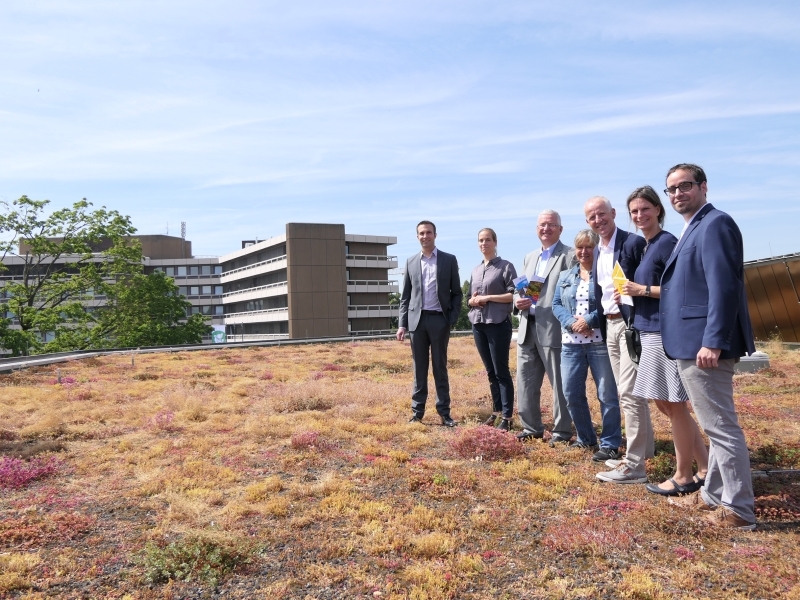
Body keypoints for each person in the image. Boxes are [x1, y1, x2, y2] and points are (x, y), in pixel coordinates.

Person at [660, 164, 756, 530]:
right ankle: (714, 496)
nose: (677, 193)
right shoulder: (693, 226)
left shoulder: (715, 224)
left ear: (703, 186)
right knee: (714, 425)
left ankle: (739, 510)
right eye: (671, 189)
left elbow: (724, 286)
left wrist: (713, 340)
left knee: (721, 428)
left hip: (704, 345)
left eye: (685, 186)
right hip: (690, 343)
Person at [615, 186, 708, 496]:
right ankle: (705, 467)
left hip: (661, 331)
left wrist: (640, 291)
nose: (640, 216)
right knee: (665, 404)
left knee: (674, 404)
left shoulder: (667, 243)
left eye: (644, 209)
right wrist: (628, 292)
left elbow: (679, 289)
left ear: (657, 209)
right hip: (646, 329)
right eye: (634, 212)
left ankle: (684, 475)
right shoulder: (646, 245)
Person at [584, 196, 650, 482]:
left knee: (629, 392)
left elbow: (644, 281)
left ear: (613, 214)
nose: (598, 220)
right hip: (609, 326)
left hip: (629, 325)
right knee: (630, 392)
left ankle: (635, 465)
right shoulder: (599, 250)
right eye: (592, 217)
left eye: (602, 214)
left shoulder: (632, 243)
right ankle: (643, 452)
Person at [551, 229, 622, 453]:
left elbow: (610, 303)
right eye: (580, 247)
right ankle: (586, 438)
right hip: (571, 344)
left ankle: (610, 443)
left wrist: (589, 320)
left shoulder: (604, 274)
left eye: (589, 247)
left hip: (599, 343)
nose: (584, 251)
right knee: (571, 393)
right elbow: (556, 305)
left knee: (606, 395)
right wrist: (572, 323)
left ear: (596, 248)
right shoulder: (565, 276)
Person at [514, 210, 575, 443]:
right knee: (525, 381)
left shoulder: (569, 255)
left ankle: (562, 431)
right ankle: (531, 428)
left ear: (560, 228)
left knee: (559, 384)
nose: (546, 229)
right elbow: (524, 291)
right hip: (527, 327)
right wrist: (516, 302)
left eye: (551, 225)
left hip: (554, 328)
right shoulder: (530, 257)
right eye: (542, 225)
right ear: (536, 228)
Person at [397, 220, 463, 427]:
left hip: (439, 321)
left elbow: (456, 294)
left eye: (428, 233)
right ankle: (417, 413)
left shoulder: (448, 260)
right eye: (421, 233)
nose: (425, 236)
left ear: (435, 235)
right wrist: (402, 324)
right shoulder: (410, 262)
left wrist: (450, 320)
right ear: (417, 236)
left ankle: (444, 412)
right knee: (419, 369)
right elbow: (405, 297)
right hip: (417, 322)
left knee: (440, 368)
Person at [467, 228, 517, 431]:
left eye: (487, 239)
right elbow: (470, 298)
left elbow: (513, 295)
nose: (484, 243)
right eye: (480, 240)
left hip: (498, 324)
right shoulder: (476, 270)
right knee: (490, 372)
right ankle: (496, 413)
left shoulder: (505, 267)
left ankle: (507, 417)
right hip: (478, 324)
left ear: (495, 242)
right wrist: (472, 300)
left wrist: (488, 298)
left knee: (501, 371)